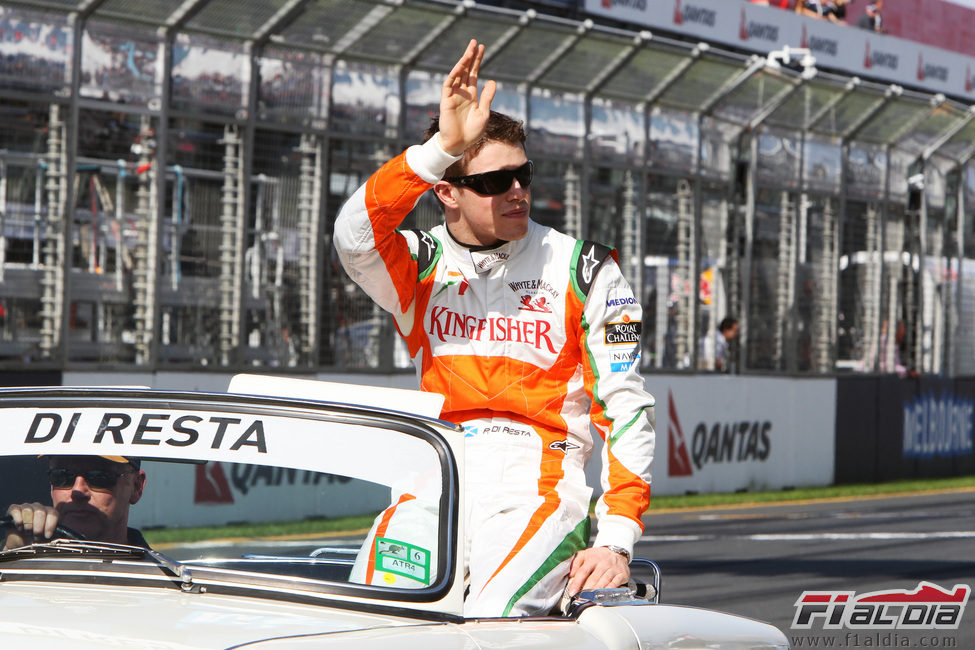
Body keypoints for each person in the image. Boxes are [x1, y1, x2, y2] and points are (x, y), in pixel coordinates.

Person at [334, 40, 655, 617]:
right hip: (433, 480)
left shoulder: (587, 270)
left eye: (523, 174)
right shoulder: (418, 262)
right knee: (371, 617)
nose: (517, 191)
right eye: (493, 182)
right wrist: (439, 149)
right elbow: (352, 237)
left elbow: (627, 408)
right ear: (446, 193)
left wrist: (616, 537)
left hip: (540, 487)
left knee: (490, 618)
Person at [2, 455, 148, 550]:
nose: (77, 491)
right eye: (61, 476)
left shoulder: (162, 582)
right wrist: (12, 554)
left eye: (100, 477)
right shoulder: (25, 558)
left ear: (137, 487)